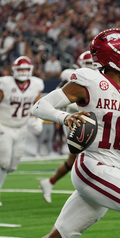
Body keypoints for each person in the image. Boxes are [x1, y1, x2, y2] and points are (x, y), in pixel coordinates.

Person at [32, 28, 120, 238]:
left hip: (111, 169)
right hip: (92, 165)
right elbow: (39, 106)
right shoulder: (90, 80)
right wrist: (65, 118)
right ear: (114, 57)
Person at [0, 56, 44, 207]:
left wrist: (39, 120)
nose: (22, 72)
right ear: (14, 70)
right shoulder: (5, 83)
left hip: (21, 128)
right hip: (3, 127)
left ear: (30, 70)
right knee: (4, 163)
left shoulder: (36, 85)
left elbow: (39, 106)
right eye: (19, 69)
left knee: (12, 167)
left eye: (24, 69)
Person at [39, 50, 93, 203]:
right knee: (87, 155)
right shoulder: (73, 76)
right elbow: (59, 96)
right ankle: (87, 193)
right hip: (74, 118)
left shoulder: (99, 78)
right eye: (87, 64)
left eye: (93, 64)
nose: (91, 67)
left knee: (73, 159)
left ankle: (49, 182)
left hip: (88, 118)